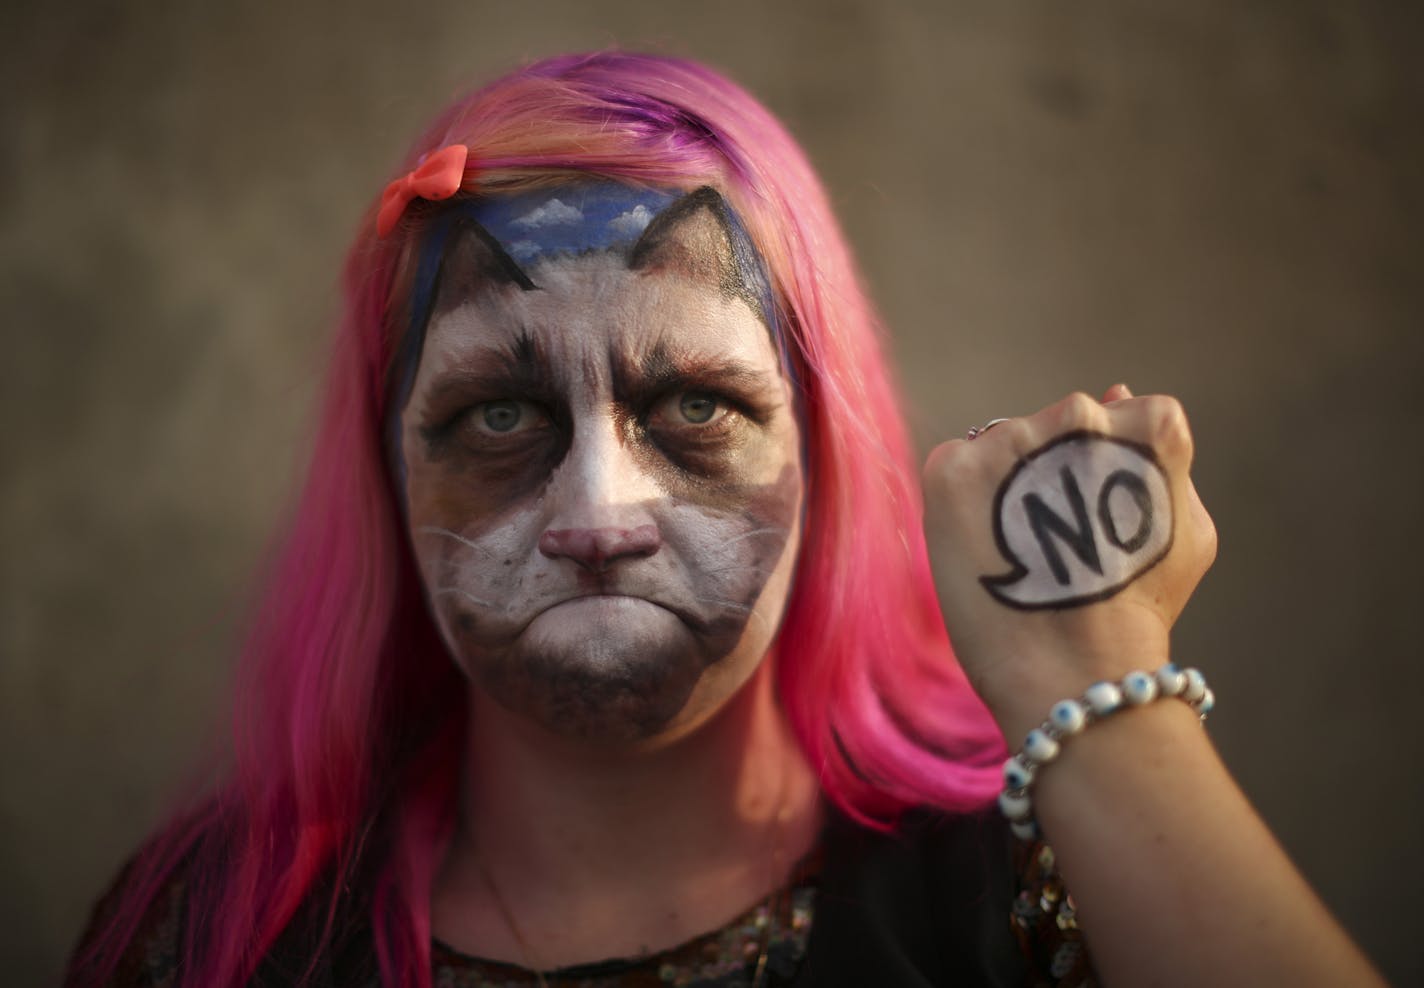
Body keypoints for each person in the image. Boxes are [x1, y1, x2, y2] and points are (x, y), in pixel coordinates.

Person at [67, 51, 1382, 987]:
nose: (599, 516)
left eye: (695, 404)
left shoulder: (1038, 892)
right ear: (387, 469)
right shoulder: (220, 933)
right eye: (502, 417)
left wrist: (1099, 694)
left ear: (823, 446)